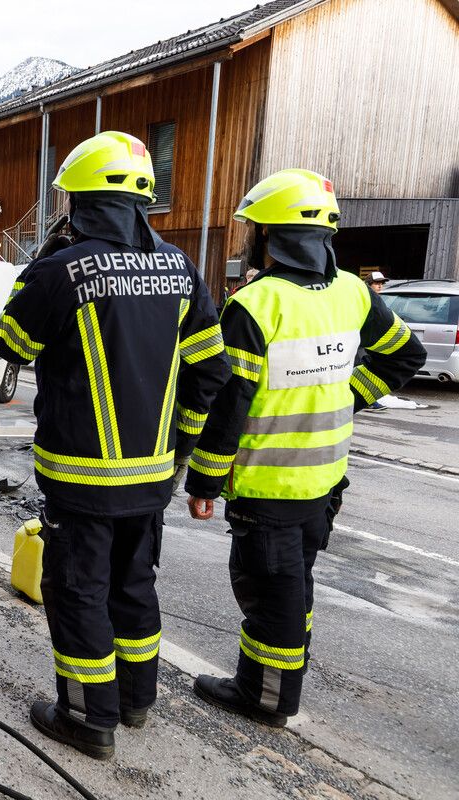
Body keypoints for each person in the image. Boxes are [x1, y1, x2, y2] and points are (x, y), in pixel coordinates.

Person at [0, 131, 230, 760]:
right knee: (133, 588)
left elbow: (10, 344)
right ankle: (134, 701)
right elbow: (211, 371)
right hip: (151, 479)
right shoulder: (180, 268)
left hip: (82, 477)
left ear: (82, 202)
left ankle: (88, 719)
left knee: (78, 594)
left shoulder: (61, 269)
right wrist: (180, 448)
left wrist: (42, 266)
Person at [184, 169, 426, 729]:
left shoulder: (256, 304)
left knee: (271, 595)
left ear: (272, 236)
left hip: (268, 487)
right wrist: (346, 398)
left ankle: (266, 697)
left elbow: (229, 406)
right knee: (294, 586)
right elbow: (403, 357)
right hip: (324, 483)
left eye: (256, 229)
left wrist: (203, 483)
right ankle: (276, 679)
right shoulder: (353, 293)